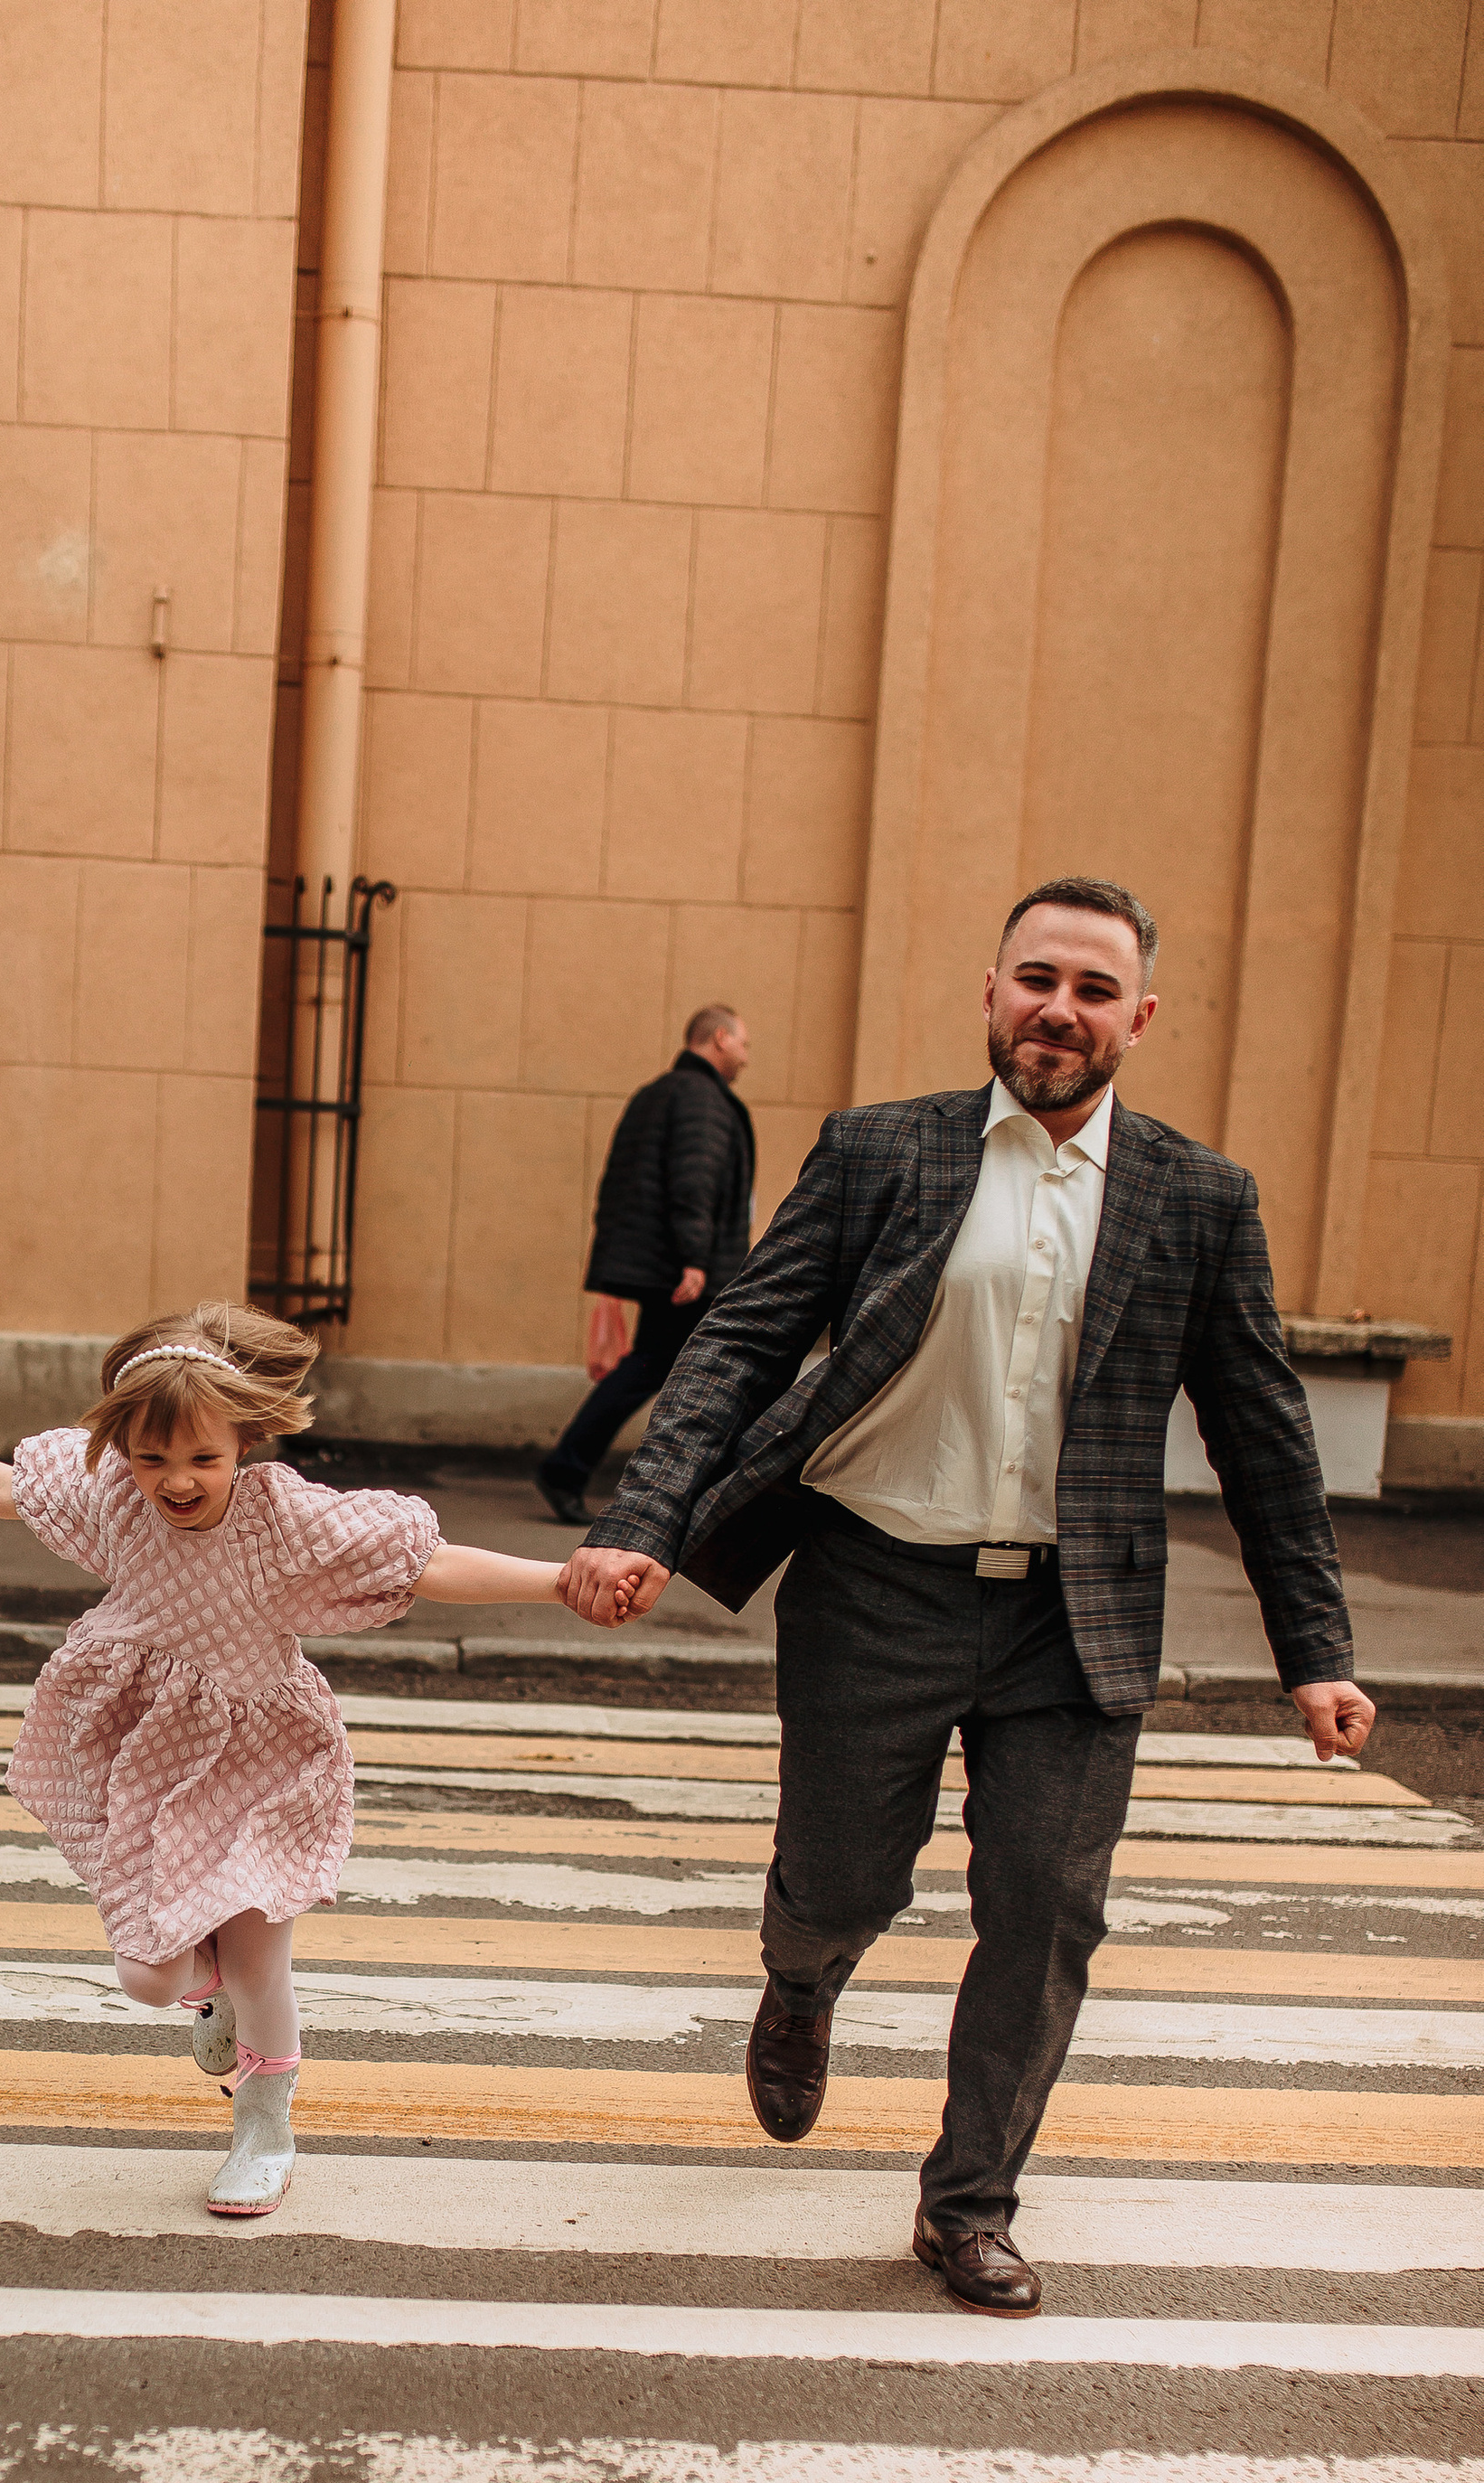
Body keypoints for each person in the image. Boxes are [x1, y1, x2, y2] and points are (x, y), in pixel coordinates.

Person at [557, 877, 1374, 2318]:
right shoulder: (885, 1153)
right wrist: (647, 1524)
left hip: (1078, 1616)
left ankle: (969, 2205)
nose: (1061, 1009)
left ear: (1140, 1018)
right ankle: (803, 1977)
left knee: (1049, 1911)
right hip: (877, 1585)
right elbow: (742, 1344)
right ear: (992, 991)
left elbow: (1264, 1434)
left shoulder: (1198, 1197)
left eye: (1095, 989)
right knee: (845, 1877)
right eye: (1037, 979)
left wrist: (1317, 1651)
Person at [0, 1304, 570, 2216]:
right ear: (124, 1451)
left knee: (264, 1965)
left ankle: (264, 2130)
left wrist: (559, 1582)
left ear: (243, 1442)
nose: (176, 1482)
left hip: (258, 1761)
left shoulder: (280, 1522)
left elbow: (427, 1564)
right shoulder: (113, 1495)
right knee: (149, 1977)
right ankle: (209, 1992)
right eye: (152, 1461)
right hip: (144, 1754)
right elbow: (2, 1491)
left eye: (202, 1460)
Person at [535, 1003, 756, 1526]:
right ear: (720, 1039)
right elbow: (694, 1184)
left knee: (671, 1368)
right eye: (743, 1044)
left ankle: (672, 1485)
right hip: (683, 1268)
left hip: (663, 1262)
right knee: (676, 1368)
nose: (746, 1058)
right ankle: (570, 1470)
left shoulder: (660, 1092)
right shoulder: (702, 1100)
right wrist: (695, 1260)